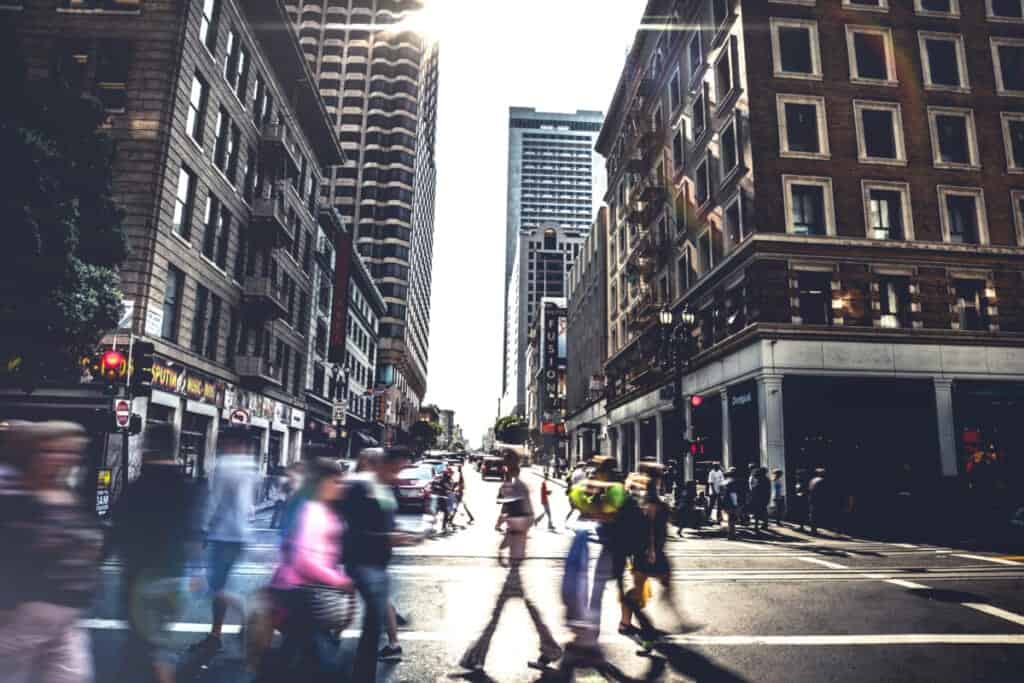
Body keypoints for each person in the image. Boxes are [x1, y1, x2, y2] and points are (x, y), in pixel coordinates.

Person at [0, 421, 103, 683]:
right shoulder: (15, 495)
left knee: (73, 676)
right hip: (27, 613)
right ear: (31, 454)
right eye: (54, 451)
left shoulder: (67, 492)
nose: (65, 459)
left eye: (71, 452)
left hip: (67, 613)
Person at [111, 422, 204, 683]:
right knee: (153, 641)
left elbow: (118, 529)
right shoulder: (187, 486)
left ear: (147, 447)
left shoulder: (139, 486)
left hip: (140, 577)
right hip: (173, 575)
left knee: (145, 645)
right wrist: (197, 571)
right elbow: (194, 532)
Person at [460, 454, 562, 672]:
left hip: (517, 556)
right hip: (515, 556)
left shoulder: (519, 487)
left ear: (511, 466)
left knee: (500, 611)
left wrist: (508, 531)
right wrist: (504, 537)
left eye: (506, 464)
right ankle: (550, 649)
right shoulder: (511, 486)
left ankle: (476, 657)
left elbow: (527, 519)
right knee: (520, 608)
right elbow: (513, 516)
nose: (503, 468)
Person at [268, 458, 352, 678]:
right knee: (324, 663)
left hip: (306, 591)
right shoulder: (312, 511)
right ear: (321, 483)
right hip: (301, 592)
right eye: (336, 482)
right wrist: (339, 581)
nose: (340, 486)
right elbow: (302, 559)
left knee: (293, 656)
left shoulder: (323, 508)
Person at [342, 446, 415, 677]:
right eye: (395, 469)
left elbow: (384, 522)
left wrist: (402, 533)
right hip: (363, 564)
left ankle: (363, 672)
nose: (398, 476)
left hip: (378, 566)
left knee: (372, 627)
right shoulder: (360, 487)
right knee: (371, 626)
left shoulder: (385, 489)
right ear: (382, 464)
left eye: (400, 470)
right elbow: (353, 533)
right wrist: (388, 538)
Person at [190, 424, 258, 658]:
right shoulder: (250, 467)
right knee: (218, 586)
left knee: (214, 588)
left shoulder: (225, 465)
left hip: (224, 535)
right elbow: (248, 506)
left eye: (224, 441)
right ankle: (215, 635)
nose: (222, 445)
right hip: (239, 535)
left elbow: (214, 502)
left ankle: (248, 618)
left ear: (232, 443)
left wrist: (202, 531)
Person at [564, 461, 587, 526]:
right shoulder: (581, 473)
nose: (585, 467)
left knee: (574, 509)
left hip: (573, 492)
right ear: (582, 466)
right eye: (584, 466)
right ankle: (573, 522)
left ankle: (567, 521)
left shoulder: (574, 472)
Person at [720, 467, 741, 540]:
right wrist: (735, 504)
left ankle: (730, 533)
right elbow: (733, 494)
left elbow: (721, 494)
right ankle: (731, 534)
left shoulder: (724, 482)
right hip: (731, 502)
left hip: (724, 502)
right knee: (732, 518)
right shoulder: (733, 482)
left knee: (729, 518)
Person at [749, 467, 771, 533]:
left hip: (758, 498)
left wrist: (752, 496)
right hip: (764, 498)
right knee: (764, 511)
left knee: (757, 512)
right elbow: (768, 490)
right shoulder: (767, 479)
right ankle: (765, 524)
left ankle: (756, 526)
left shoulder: (759, 479)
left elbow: (755, 489)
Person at [808, 467, 829, 535]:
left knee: (813, 513)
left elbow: (809, 489)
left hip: (812, 498)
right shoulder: (822, 480)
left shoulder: (812, 480)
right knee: (817, 514)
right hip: (818, 499)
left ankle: (813, 529)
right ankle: (815, 529)